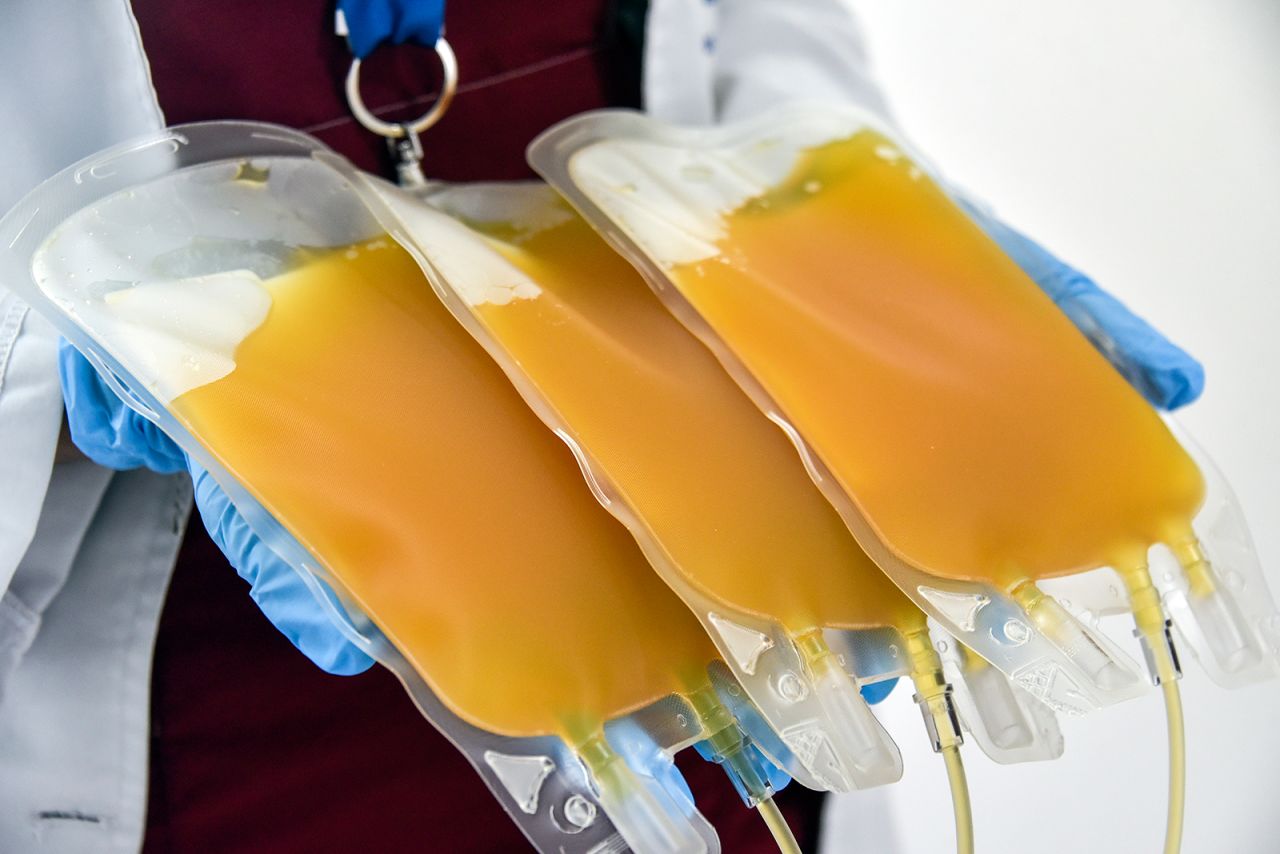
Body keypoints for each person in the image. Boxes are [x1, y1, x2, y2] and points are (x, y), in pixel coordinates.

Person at [0, 1, 1202, 852]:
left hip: (720, 674)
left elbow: (740, 29)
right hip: (208, 743)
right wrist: (71, 339)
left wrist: (818, 192)